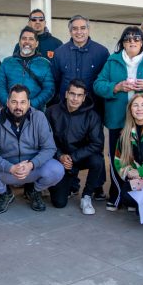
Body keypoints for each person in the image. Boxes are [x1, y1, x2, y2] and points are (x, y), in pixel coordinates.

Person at [93, 26, 143, 208]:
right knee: (116, 159)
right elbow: (98, 85)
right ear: (123, 43)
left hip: (142, 120)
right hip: (117, 119)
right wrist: (116, 87)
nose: (132, 42)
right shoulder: (113, 61)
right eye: (128, 39)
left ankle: (135, 196)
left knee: (139, 160)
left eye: (136, 38)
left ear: (142, 41)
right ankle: (116, 194)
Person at [0, 84, 64, 214]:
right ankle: (5, 193)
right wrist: (9, 167)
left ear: (28, 103)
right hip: (7, 170)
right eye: (14, 102)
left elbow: (49, 148)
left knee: (57, 170)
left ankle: (34, 190)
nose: (18, 107)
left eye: (22, 102)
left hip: (32, 169)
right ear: (7, 102)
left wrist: (31, 165)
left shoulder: (39, 117)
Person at [46, 79, 105, 213]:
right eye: (72, 94)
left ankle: (87, 196)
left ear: (84, 97)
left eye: (79, 95)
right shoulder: (51, 112)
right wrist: (60, 156)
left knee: (97, 161)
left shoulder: (92, 115)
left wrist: (73, 157)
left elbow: (97, 144)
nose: (75, 98)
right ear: (66, 94)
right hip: (60, 159)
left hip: (80, 156)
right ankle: (69, 183)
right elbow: (45, 140)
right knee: (59, 203)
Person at [51, 15, 109, 112]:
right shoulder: (59, 53)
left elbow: (105, 81)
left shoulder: (102, 52)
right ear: (70, 31)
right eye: (75, 29)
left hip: (94, 110)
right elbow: (55, 81)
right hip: (65, 110)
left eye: (83, 28)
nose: (79, 32)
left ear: (88, 30)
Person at [0, 27, 55, 110]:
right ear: (19, 42)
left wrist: (31, 105)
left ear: (36, 43)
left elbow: (49, 89)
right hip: (9, 111)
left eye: (31, 39)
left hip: (35, 111)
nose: (27, 41)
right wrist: (8, 103)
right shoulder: (7, 62)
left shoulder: (45, 64)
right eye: (24, 38)